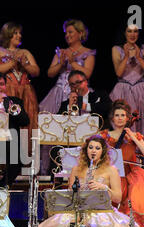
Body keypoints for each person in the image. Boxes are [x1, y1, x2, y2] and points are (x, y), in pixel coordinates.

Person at [26, 135, 144, 227]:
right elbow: (70, 194)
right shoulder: (76, 169)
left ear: (103, 151)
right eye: (91, 147)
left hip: (101, 212)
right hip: (78, 211)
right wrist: (78, 190)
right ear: (86, 150)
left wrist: (103, 188)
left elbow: (118, 197)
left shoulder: (112, 170)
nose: (93, 151)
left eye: (97, 148)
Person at [39, 19, 96, 175]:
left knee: (78, 131)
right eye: (66, 33)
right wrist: (62, 62)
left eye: (71, 32)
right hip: (59, 93)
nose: (68, 35)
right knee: (53, 130)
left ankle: (82, 167)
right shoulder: (61, 52)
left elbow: (87, 73)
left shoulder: (88, 53)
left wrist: (72, 62)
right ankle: (50, 169)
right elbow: (50, 73)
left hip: (78, 93)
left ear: (80, 33)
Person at [101, 100, 144, 227]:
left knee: (138, 191)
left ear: (127, 118)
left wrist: (133, 136)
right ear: (112, 118)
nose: (120, 118)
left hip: (131, 174)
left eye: (122, 115)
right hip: (112, 172)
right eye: (117, 115)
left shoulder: (134, 136)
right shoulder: (105, 135)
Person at [109, 24, 144, 169]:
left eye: (135, 31)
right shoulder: (116, 49)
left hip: (141, 89)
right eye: (129, 31)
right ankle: (126, 162)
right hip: (123, 88)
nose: (132, 34)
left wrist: (137, 57)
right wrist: (125, 56)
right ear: (124, 32)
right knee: (124, 125)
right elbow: (118, 72)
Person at [0, 22, 39, 154]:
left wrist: (24, 64)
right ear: (8, 34)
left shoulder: (24, 52)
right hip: (8, 91)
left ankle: (26, 159)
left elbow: (36, 71)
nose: (19, 35)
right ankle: (4, 161)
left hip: (25, 92)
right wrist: (13, 62)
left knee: (27, 125)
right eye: (15, 33)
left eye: (19, 33)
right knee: (6, 125)